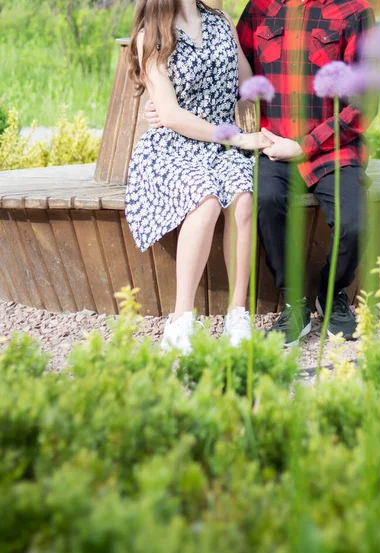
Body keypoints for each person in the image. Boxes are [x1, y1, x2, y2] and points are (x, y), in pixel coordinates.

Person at [146, 0, 375, 347]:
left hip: (333, 148)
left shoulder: (355, 11)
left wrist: (305, 146)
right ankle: (294, 302)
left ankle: (332, 293)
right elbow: (228, 72)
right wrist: (169, 102)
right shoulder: (260, 9)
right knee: (263, 201)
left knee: (355, 220)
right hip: (272, 145)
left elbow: (365, 101)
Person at [126, 0, 271, 354]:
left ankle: (238, 315)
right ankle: (181, 320)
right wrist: (235, 136)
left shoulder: (221, 22)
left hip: (220, 147)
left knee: (242, 197)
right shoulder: (152, 35)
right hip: (173, 146)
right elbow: (173, 116)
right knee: (204, 201)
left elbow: (246, 80)